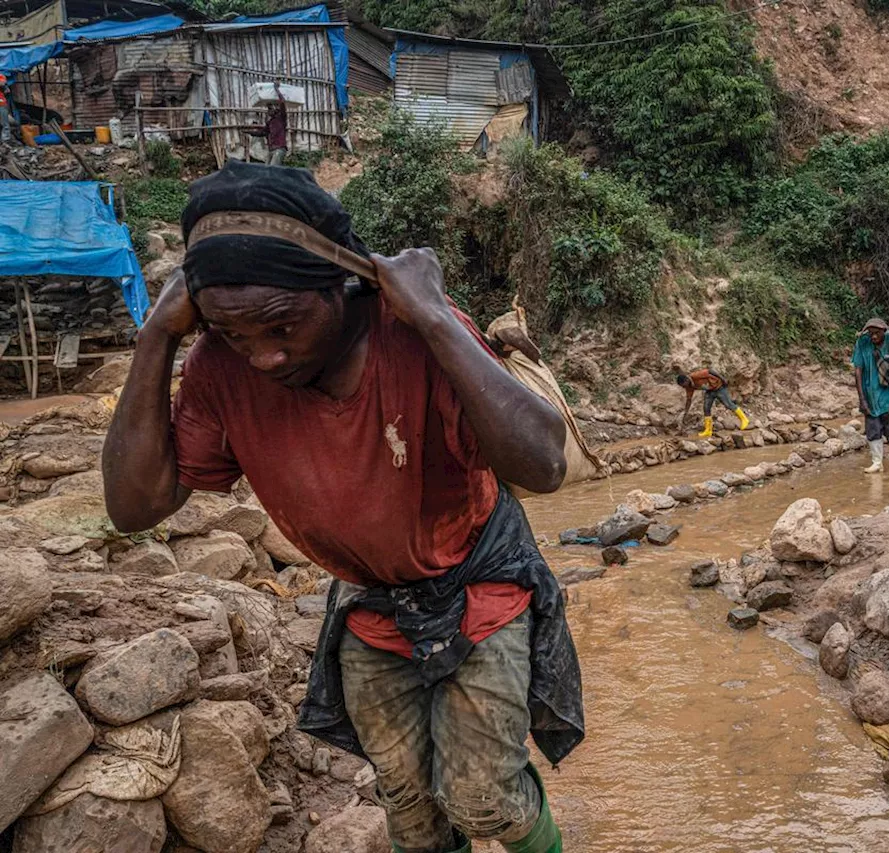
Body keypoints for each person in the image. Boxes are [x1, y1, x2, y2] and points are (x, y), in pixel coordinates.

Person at [101, 162, 581, 853]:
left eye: (282, 325)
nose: (263, 357)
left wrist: (437, 315)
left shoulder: (412, 333)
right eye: (233, 333)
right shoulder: (218, 366)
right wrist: (157, 337)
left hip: (480, 584)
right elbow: (133, 506)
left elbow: (545, 463)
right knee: (411, 811)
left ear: (343, 286)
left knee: (483, 798)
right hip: (371, 604)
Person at [852, 318, 889, 473]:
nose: (873, 337)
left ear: (884, 331)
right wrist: (862, 399)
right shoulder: (862, 343)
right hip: (870, 394)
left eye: (876, 333)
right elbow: (858, 370)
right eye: (870, 333)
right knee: (872, 428)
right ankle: (877, 462)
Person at [677, 368, 750, 437]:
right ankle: (708, 430)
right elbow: (689, 399)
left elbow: (710, 371)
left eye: (683, 385)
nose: (683, 387)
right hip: (709, 391)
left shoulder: (695, 375)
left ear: (686, 380)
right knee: (706, 408)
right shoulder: (689, 387)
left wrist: (722, 378)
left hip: (719, 387)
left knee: (728, 404)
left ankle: (744, 419)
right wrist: (686, 412)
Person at [248, 82, 288, 165]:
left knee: (272, 169)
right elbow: (263, 132)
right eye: (268, 109)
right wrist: (251, 133)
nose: (268, 111)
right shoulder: (270, 122)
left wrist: (277, 90)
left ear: (275, 109)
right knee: (266, 169)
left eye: (270, 109)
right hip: (271, 149)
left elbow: (282, 102)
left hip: (279, 149)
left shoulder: (282, 118)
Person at [0, 74, 12, 145]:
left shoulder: (1, 76)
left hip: (1, 103)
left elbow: (3, 84)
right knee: (4, 124)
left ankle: (5, 142)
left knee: (4, 124)